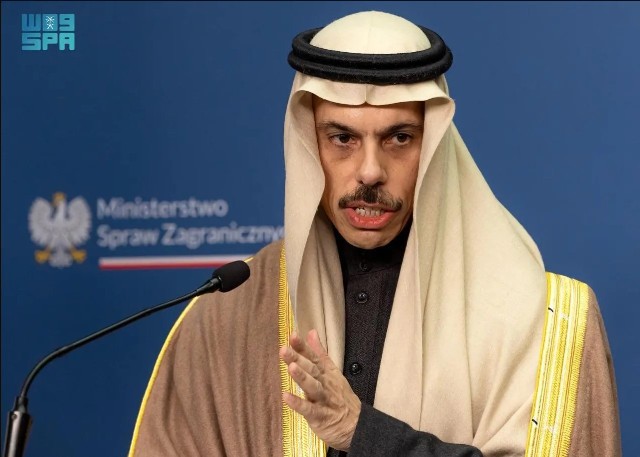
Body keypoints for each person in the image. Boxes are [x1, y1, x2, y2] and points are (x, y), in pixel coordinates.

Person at [128, 11, 621, 457]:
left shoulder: (543, 319)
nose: (369, 171)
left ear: (434, 146)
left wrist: (364, 434)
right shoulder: (227, 316)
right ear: (308, 145)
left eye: (399, 138)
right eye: (342, 138)